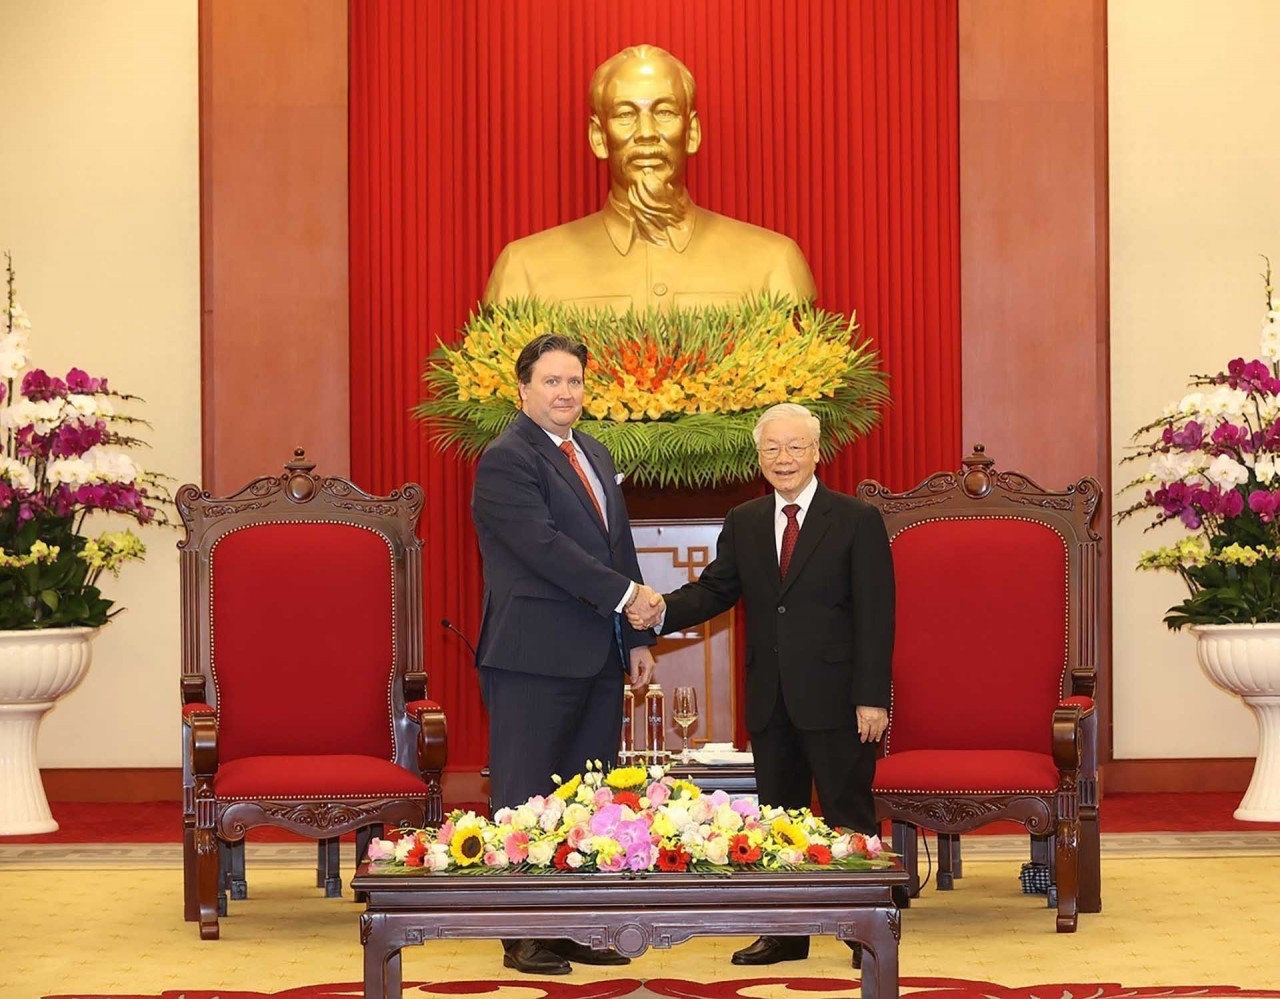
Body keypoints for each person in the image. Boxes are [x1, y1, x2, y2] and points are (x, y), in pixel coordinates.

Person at [628, 403, 894, 969]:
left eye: (795, 447)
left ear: (817, 452)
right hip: (771, 697)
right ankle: (785, 933)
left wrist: (872, 696)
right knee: (778, 820)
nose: (783, 458)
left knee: (849, 814)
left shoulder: (855, 519)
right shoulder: (744, 519)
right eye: (771, 449)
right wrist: (657, 612)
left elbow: (877, 615)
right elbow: (715, 590)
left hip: (839, 699)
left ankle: (863, 931)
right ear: (759, 457)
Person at [471, 332, 660, 976]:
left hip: (597, 654)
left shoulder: (595, 452)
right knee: (526, 795)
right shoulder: (506, 459)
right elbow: (543, 548)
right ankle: (524, 933)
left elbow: (618, 546)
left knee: (586, 796)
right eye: (551, 381)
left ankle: (574, 924)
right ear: (522, 390)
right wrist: (629, 595)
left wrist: (634, 635)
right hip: (532, 655)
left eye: (574, 381)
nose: (565, 392)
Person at [483, 44, 816, 312]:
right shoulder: (523, 269)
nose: (646, 133)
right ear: (599, 137)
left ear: (692, 133)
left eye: (664, 113)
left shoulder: (773, 263)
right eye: (626, 115)